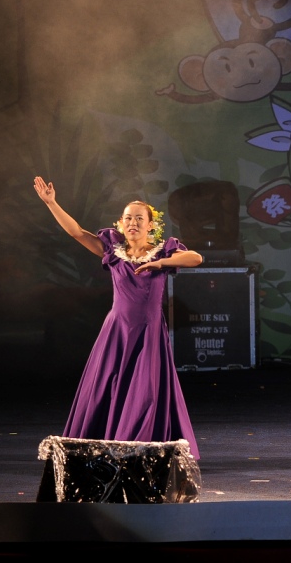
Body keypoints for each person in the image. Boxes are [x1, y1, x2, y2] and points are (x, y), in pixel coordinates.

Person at [33, 176, 203, 458]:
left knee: (146, 391)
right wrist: (51, 203)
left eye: (139, 218)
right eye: (128, 218)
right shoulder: (113, 251)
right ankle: (106, 441)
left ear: (151, 225)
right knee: (106, 387)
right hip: (117, 330)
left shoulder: (164, 250)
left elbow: (195, 258)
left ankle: (138, 445)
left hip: (148, 331)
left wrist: (161, 263)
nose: (133, 222)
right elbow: (77, 233)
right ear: (121, 224)